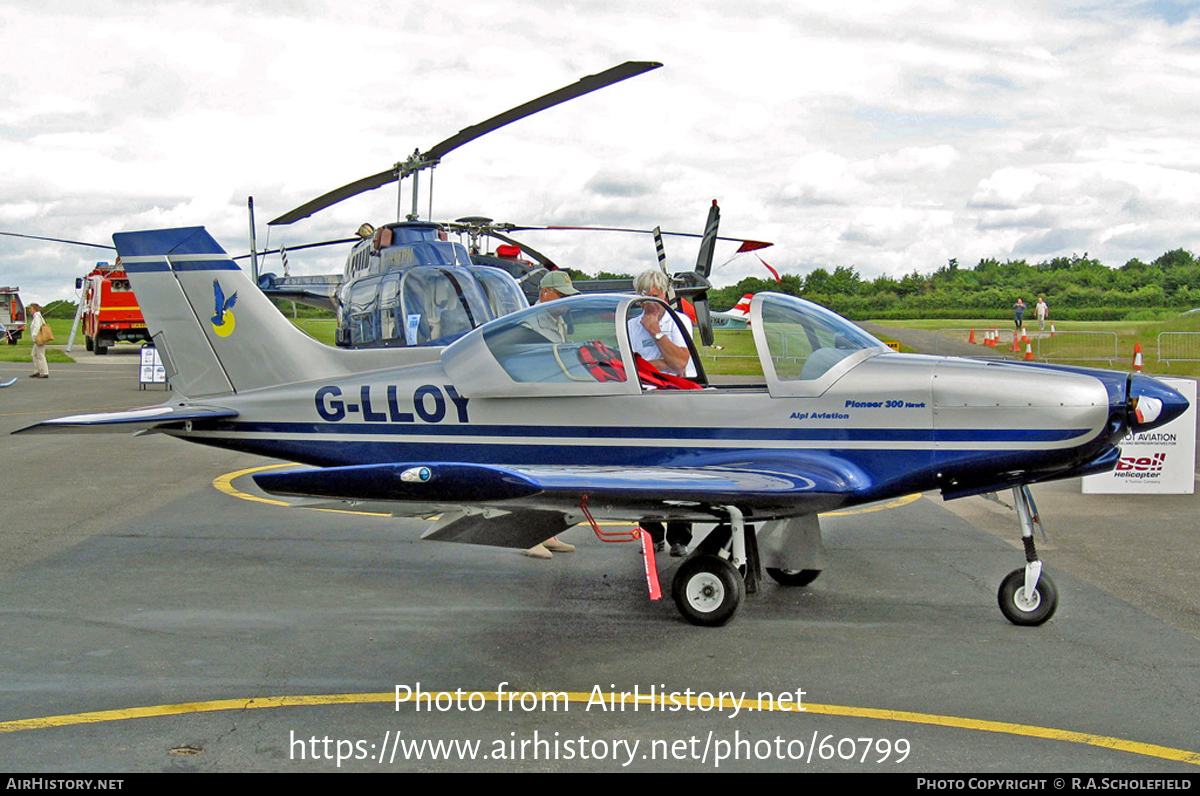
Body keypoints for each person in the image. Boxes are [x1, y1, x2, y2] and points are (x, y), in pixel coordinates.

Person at [629, 269, 695, 556]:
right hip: (645, 401)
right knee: (645, 468)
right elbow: (633, 366)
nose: (649, 302)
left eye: (654, 295)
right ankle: (651, 534)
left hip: (679, 399)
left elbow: (681, 363)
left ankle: (679, 537)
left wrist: (655, 331)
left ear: (665, 295)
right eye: (644, 296)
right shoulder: (630, 325)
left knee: (681, 468)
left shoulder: (680, 321)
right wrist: (661, 363)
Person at [522, 271, 580, 560]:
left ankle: (547, 533)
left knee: (554, 472)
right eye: (562, 296)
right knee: (536, 473)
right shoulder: (527, 324)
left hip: (552, 405)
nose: (567, 303)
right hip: (535, 406)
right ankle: (529, 536)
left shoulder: (556, 321)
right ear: (545, 293)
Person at [28, 303, 50, 379]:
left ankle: (44, 372)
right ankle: (37, 370)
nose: (30, 310)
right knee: (34, 354)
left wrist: (34, 337)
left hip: (39, 339)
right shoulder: (37, 317)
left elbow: (36, 328)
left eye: (31, 309)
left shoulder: (37, 317)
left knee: (40, 355)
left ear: (34, 309)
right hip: (38, 339)